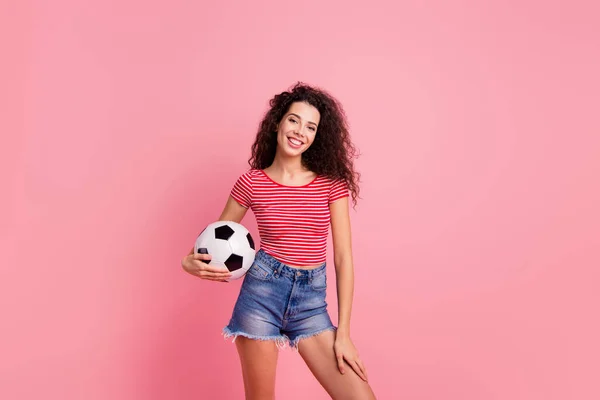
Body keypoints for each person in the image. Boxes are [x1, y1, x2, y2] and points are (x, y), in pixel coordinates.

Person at [181, 82, 376, 399]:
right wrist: (186, 262)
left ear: (317, 136)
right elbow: (212, 241)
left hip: (311, 304)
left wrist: (344, 333)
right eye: (294, 120)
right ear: (278, 123)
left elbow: (343, 257)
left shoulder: (330, 184)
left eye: (311, 126)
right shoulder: (252, 182)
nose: (301, 131)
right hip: (261, 295)